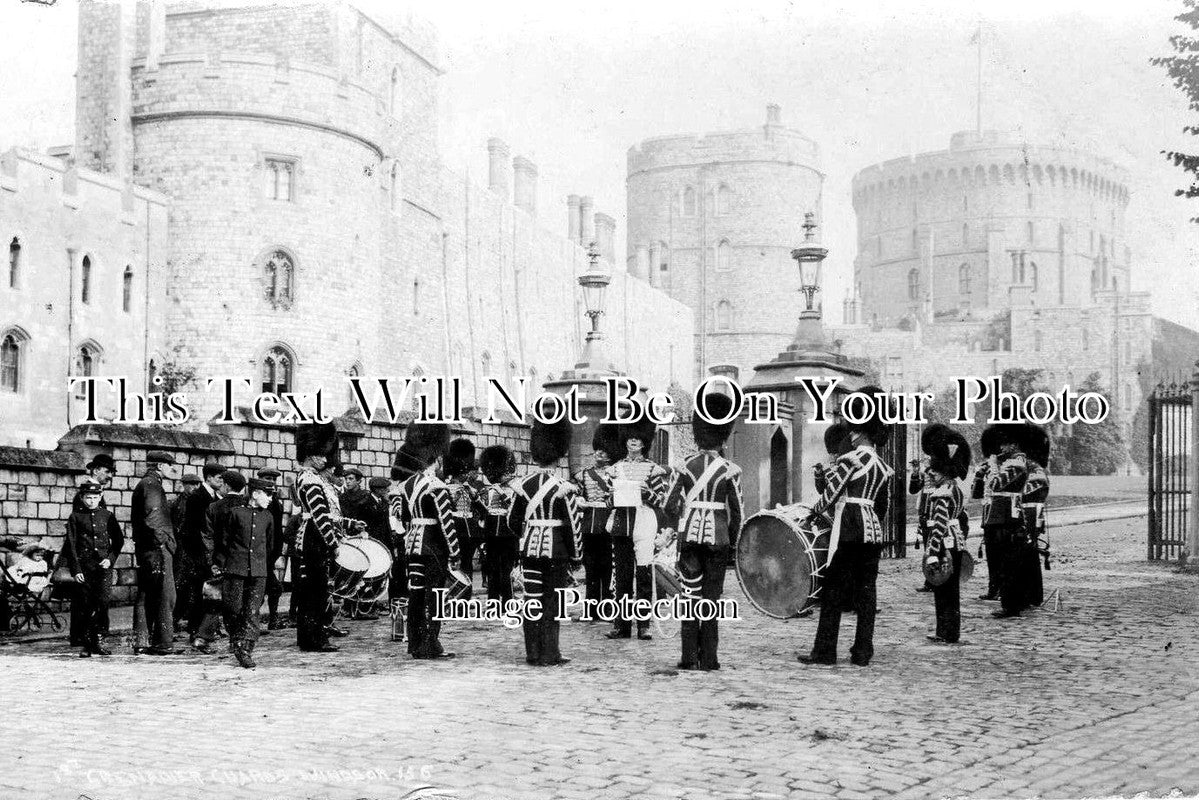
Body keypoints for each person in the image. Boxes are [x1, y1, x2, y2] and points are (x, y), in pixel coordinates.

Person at [799, 386, 893, 667]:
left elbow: (831, 495)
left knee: (833, 591)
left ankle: (825, 651)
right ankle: (862, 652)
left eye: (854, 427)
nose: (849, 432)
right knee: (867, 593)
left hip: (849, 528)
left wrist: (812, 513)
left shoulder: (852, 459)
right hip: (872, 531)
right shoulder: (881, 465)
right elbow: (881, 506)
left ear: (861, 430)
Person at [663, 391, 743, 671]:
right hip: (718, 540)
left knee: (689, 597)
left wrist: (680, 524)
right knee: (710, 599)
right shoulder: (729, 470)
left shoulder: (685, 465)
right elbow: (739, 514)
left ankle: (688, 657)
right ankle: (709, 658)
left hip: (690, 540)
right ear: (723, 434)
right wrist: (732, 544)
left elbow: (668, 505)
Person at [508, 415, 581, 666]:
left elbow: (511, 522)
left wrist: (525, 537)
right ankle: (551, 653)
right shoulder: (563, 487)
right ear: (559, 456)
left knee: (532, 600)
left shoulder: (522, 485)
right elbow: (572, 525)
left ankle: (533, 653)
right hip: (556, 552)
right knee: (552, 602)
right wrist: (576, 556)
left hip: (529, 550)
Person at [393, 422, 459, 659]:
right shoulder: (437, 486)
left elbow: (402, 516)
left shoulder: (408, 485)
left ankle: (415, 644)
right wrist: (455, 552)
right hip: (433, 546)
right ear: (438, 459)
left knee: (416, 594)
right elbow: (446, 523)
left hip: (413, 544)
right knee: (435, 596)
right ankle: (431, 644)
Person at [605, 418, 667, 641]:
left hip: (643, 521)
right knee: (622, 576)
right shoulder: (615, 469)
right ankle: (621, 625)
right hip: (622, 522)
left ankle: (643, 625)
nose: (633, 441)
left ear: (644, 442)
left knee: (642, 574)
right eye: (630, 437)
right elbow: (606, 500)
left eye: (637, 438)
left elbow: (661, 501)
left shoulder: (653, 469)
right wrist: (612, 497)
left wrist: (646, 492)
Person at [294, 423, 354, 653]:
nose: (324, 459)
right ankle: (315, 639)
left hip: (312, 536)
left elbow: (326, 514)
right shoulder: (310, 480)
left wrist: (346, 524)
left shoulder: (310, 478)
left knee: (313, 591)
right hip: (314, 539)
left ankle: (309, 638)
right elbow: (320, 517)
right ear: (310, 455)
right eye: (320, 455)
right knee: (315, 592)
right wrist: (333, 543)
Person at [213, 477, 277, 668]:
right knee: (233, 608)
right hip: (236, 569)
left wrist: (263, 566)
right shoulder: (236, 513)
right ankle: (236, 639)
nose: (270, 499)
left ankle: (245, 649)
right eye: (268, 494)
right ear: (256, 494)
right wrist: (224, 564)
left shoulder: (268, 517)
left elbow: (270, 546)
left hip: (258, 571)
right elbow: (223, 541)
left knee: (252, 610)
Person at [917, 424, 971, 645]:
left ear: (944, 472)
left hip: (942, 544)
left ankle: (945, 632)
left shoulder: (942, 493)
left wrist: (931, 551)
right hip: (956, 542)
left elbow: (939, 525)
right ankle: (951, 632)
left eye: (935, 471)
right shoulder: (956, 489)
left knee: (943, 590)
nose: (932, 474)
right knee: (952, 591)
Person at [973, 424, 1031, 619]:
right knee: (999, 560)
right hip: (996, 514)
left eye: (1005, 444)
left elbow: (998, 484)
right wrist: (981, 474)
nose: (1001, 448)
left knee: (1008, 562)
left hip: (1007, 516)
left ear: (1014, 445)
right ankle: (1004, 597)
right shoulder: (1005, 462)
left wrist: (993, 466)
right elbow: (979, 492)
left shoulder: (1017, 463)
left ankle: (1011, 604)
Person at [62, 482, 124, 657]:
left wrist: (110, 559)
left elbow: (118, 541)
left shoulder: (107, 515)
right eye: (88, 497)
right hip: (85, 569)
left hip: (103, 569)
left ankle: (99, 640)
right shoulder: (75, 517)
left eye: (95, 497)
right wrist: (77, 570)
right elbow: (71, 545)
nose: (91, 501)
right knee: (85, 605)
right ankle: (87, 644)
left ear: (100, 497)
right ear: (82, 498)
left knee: (102, 603)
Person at [192, 469, 246, 653]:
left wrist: (212, 561)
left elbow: (207, 536)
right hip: (242, 561)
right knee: (240, 602)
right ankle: (236, 641)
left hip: (220, 562)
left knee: (214, 600)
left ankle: (202, 638)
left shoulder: (214, 507)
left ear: (227, 486)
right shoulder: (248, 507)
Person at [131, 450, 179, 656]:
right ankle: (163, 642)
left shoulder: (145, 484)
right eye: (169, 466)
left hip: (146, 549)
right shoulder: (152, 485)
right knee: (165, 596)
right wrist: (166, 543)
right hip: (157, 550)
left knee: (145, 595)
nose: (171, 469)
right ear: (160, 466)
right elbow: (153, 518)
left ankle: (141, 642)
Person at [176, 463, 224, 636]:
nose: (222, 481)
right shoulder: (197, 498)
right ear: (209, 477)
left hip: (210, 554)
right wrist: (203, 556)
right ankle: (195, 630)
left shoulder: (215, 498)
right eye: (219, 478)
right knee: (198, 592)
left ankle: (205, 630)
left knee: (209, 593)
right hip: (198, 554)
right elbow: (194, 529)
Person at [573, 424, 615, 610]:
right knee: (590, 566)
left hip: (607, 521)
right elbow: (577, 494)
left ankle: (606, 606)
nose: (599, 454)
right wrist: (579, 499)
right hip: (589, 522)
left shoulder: (615, 473)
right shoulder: (584, 474)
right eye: (598, 450)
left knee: (606, 566)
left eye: (604, 452)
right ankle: (590, 608)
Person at [476, 445, 518, 603]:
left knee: (506, 569)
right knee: (492, 569)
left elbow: (514, 509)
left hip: (508, 534)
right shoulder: (488, 490)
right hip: (492, 533)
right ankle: (493, 602)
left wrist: (503, 494)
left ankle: (508, 602)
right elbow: (485, 511)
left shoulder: (514, 489)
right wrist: (476, 500)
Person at [256, 468, 291, 631]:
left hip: (271, 552)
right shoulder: (256, 499)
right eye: (268, 478)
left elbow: (277, 529)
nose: (271, 482)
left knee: (273, 588)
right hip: (258, 550)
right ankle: (258, 620)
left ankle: (272, 619)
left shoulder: (275, 500)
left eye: (274, 479)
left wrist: (277, 550)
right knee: (266, 587)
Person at [1021, 424, 1051, 608]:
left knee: (1029, 553)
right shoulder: (1026, 466)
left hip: (1030, 513)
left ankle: (1033, 595)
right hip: (1023, 512)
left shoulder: (1035, 469)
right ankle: (1027, 593)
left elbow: (1033, 489)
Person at [444, 438, 480, 593]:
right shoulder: (448, 488)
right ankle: (453, 593)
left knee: (467, 563)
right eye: (464, 472)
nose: (467, 475)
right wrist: (457, 494)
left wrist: (473, 494)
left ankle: (467, 594)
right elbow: (449, 508)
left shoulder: (469, 488)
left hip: (469, 530)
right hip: (456, 528)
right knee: (454, 563)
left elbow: (478, 508)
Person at [908, 456, 935, 593]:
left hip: (936, 514)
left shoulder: (940, 472)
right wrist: (915, 473)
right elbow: (913, 490)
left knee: (935, 548)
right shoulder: (926, 473)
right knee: (928, 549)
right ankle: (930, 580)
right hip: (925, 515)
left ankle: (937, 579)